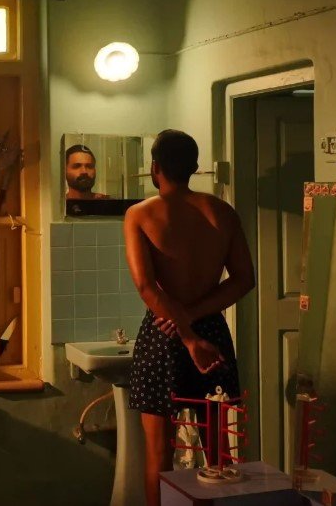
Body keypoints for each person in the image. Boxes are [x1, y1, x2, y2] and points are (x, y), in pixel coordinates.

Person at [124, 130, 255, 506]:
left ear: (155, 167)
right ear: (195, 167)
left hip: (164, 331)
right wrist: (196, 321)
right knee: (218, 451)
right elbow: (244, 279)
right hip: (210, 328)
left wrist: (183, 329)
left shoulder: (140, 214)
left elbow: (146, 288)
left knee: (158, 454)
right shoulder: (222, 213)